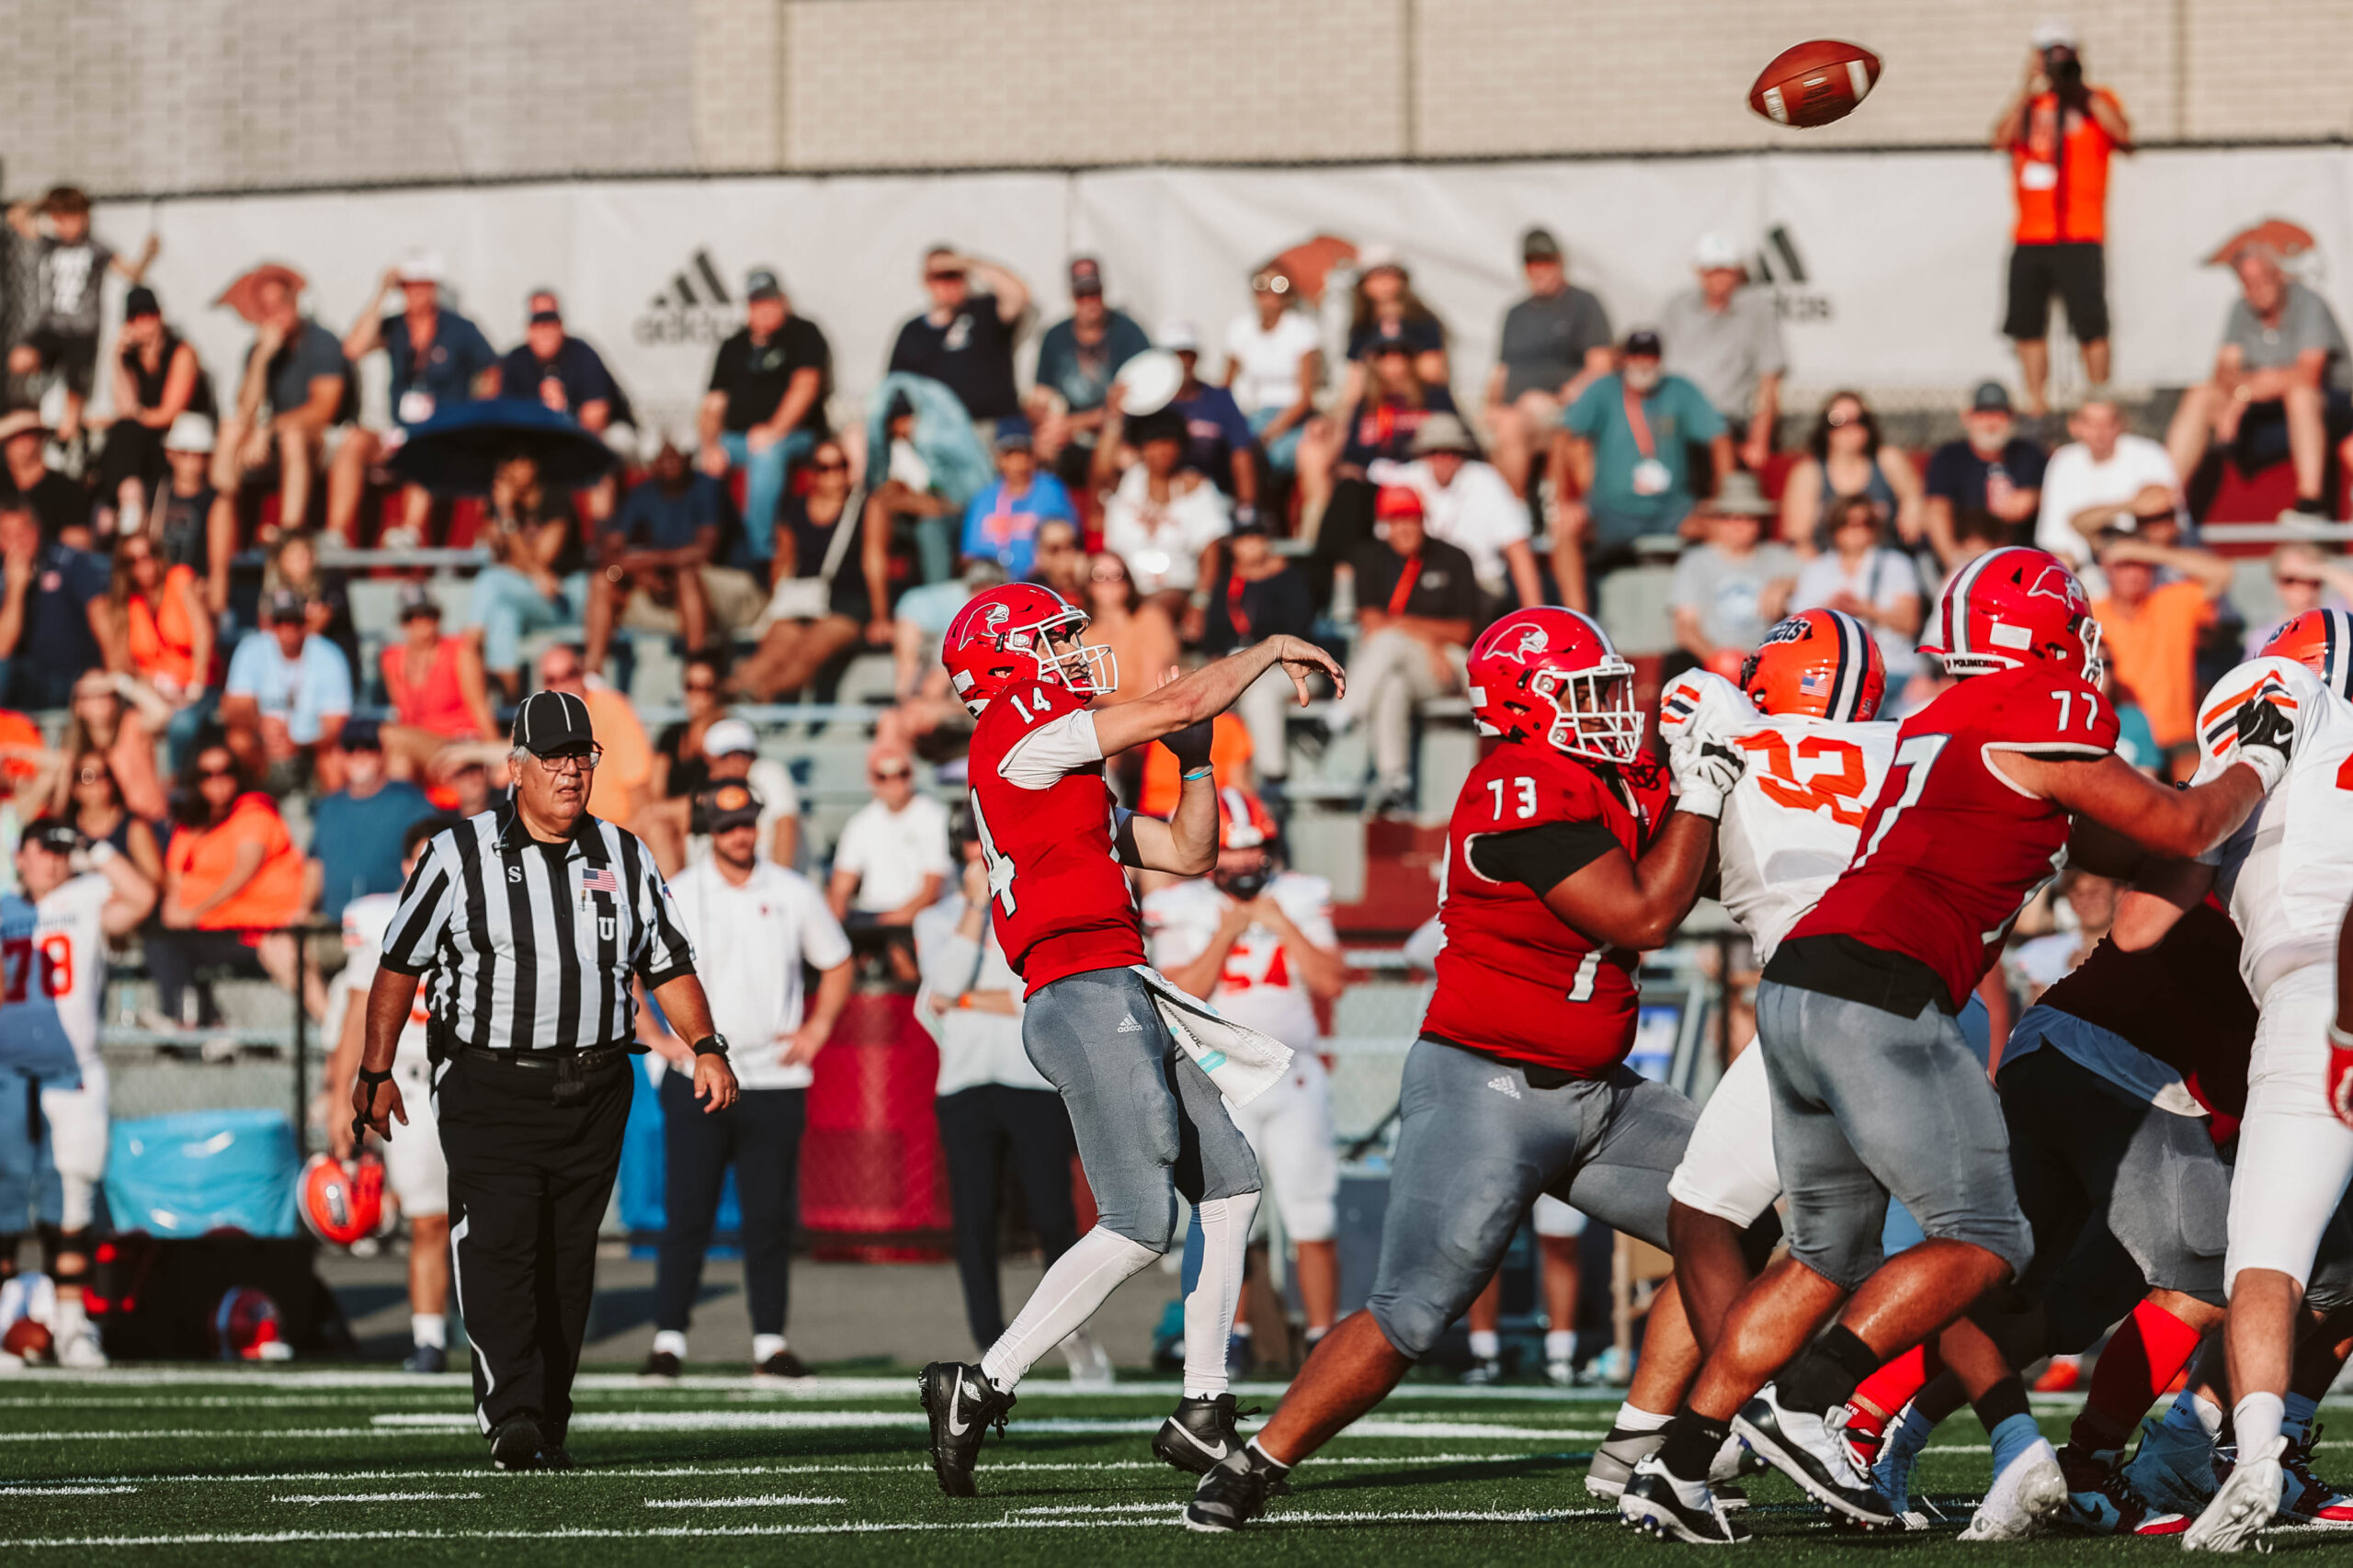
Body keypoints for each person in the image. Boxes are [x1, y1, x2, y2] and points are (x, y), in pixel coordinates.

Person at [1624, 547, 2283, 1543]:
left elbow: (2138, 870)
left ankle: (1675, 1465)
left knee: (1818, 1253)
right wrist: (2259, 764)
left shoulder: (1941, 719)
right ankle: (1807, 1401)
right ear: (2049, 641)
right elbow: (2184, 823)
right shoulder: (2035, 707)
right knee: (1986, 1239)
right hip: (1882, 992)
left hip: (1797, 984)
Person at [1188, 607, 1732, 1530]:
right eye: (1583, 692)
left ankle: (1638, 1444)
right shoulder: (1518, 781)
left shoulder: (1599, 772)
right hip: (1488, 1087)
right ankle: (1254, 1460)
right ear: (1522, 707)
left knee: (1736, 1211)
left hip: (1600, 1090)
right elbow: (1643, 914)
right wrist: (1705, 787)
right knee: (1413, 1312)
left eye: (1609, 688)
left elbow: (1706, 870)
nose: (1609, 708)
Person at [917, 581, 1345, 1497]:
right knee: (1141, 1219)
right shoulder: (1013, 735)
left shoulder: (1057, 780)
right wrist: (1269, 644)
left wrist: (1196, 766)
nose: (1075, 651)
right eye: (1056, 638)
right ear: (1005, 660)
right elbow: (1186, 697)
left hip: (1120, 980)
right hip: (1079, 986)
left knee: (1229, 1182)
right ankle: (981, 1383)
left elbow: (1188, 853)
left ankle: (1202, 1404)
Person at [352, 689, 735, 1471]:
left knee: (567, 1259)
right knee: (501, 1245)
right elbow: (397, 965)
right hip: (488, 1083)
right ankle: (512, 1411)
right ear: (515, 767)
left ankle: (548, 1413)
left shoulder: (624, 855)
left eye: (582, 756)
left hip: (594, 1086)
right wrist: (376, 1068)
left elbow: (667, 960)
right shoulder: (458, 855)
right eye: (554, 756)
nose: (570, 771)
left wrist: (706, 1043)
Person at [1589, 613, 1893, 1497]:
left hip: (1812, 997)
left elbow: (1674, 864)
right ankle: (1647, 1442)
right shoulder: (1897, 746)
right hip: (1909, 997)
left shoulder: (1719, 713)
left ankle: (1758, 1406)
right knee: (1934, 1243)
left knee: (1713, 1216)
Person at [2116, 616, 2353, 1547]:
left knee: (2270, 1255)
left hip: (2311, 991)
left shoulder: (2271, 707)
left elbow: (2136, 923)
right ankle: (2249, 1443)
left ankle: (2254, 1457)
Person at [642, 782, 852, 1380]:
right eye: (729, 823)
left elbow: (836, 961)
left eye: (748, 821)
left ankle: (768, 1342)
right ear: (710, 830)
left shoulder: (791, 891)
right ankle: (669, 1340)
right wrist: (656, 1038)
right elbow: (629, 965)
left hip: (774, 1077)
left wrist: (815, 1031)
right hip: (695, 1073)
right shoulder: (678, 893)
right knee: (688, 1214)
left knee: (767, 1219)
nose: (741, 833)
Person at [1145, 789, 1347, 1351]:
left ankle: (1322, 1337)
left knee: (1313, 1213)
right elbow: (1177, 992)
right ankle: (1226, 1338)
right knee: (1225, 1215)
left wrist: (1282, 925)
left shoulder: (1300, 897)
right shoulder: (1180, 904)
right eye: (1230, 851)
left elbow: (1331, 981)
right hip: (1222, 1077)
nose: (1241, 862)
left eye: (1251, 849)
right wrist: (1228, 932)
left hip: (1296, 1073)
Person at [915, 808, 1105, 1379]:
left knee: (1051, 1216)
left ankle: (1074, 1334)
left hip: (1032, 1077)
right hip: (966, 1084)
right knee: (975, 1221)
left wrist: (972, 1001)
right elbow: (942, 988)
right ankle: (988, 1346)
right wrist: (975, 908)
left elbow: (1034, 993)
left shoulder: (1037, 904)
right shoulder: (937, 917)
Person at [0, 819, 156, 1368]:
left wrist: (94, 848)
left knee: (74, 1196)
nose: (53, 859)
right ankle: (4, 1322)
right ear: (20, 855)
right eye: (45, 848)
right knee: (5, 1201)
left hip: (75, 1072)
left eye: (62, 850)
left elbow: (142, 897)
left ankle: (72, 1325)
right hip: (9, 1074)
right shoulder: (3, 907)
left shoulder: (86, 897)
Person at [325, 814, 463, 1371]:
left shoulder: (484, 909)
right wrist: (341, 1095)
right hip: (408, 1079)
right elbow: (359, 1011)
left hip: (476, 1077)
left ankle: (495, 1333)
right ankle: (428, 1338)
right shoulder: (379, 917)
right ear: (407, 865)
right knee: (428, 1216)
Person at [1994, 19, 2131, 416]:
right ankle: (2037, 406)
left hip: (2081, 233)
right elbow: (2000, 138)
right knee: (2028, 325)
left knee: (2091, 323)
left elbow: (2123, 134)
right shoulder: (2029, 106)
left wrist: (2079, 90)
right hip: (2031, 235)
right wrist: (2027, 87)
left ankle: (2098, 404)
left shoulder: (2095, 100)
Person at [2164, 242, 2353, 520]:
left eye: (2263, 278)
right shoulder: (2241, 310)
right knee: (2200, 395)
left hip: (2330, 410)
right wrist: (2245, 391)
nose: (2258, 287)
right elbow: (2224, 373)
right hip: (2268, 414)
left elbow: (2307, 374)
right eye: (2248, 281)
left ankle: (2310, 504)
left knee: (2300, 394)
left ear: (2278, 274)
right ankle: (2164, 500)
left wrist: (2242, 395)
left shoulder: (2308, 302)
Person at [330, 253, 500, 545]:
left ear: (433, 288)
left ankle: (409, 530)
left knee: (425, 440)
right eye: (408, 287)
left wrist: (474, 413)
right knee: (353, 442)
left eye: (422, 286)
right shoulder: (394, 326)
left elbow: (492, 371)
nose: (415, 294)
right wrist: (380, 293)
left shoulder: (460, 328)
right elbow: (353, 349)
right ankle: (335, 533)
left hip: (442, 429)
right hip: (398, 426)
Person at [1329, 486, 1481, 814]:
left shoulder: (1454, 557)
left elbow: (1464, 631)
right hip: (1408, 659)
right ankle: (1394, 779)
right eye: (1396, 521)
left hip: (1447, 662)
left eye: (1411, 519)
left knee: (1389, 642)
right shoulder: (1371, 557)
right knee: (1392, 680)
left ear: (1423, 520)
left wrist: (1407, 629)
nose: (1405, 528)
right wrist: (1426, 639)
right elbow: (1371, 622)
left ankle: (1346, 711)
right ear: (1385, 525)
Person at [1552, 329, 1731, 593]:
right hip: (1609, 509)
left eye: (1650, 357)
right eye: (1636, 356)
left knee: (1725, 531)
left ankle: (1719, 612)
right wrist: (1561, 500)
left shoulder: (1680, 389)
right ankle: (1577, 621)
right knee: (1565, 531)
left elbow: (1720, 438)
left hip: (1672, 509)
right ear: (1624, 359)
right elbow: (1563, 438)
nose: (1643, 363)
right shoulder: (1603, 389)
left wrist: (1723, 498)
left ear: (1660, 360)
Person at [149, 744, 313, 1028]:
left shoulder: (254, 813)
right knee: (160, 936)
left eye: (225, 772)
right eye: (206, 774)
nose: (217, 780)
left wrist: (195, 912)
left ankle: (192, 1021)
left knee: (171, 941)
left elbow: (243, 871)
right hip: (212, 929)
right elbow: (174, 881)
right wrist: (175, 911)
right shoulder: (189, 826)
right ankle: (202, 1021)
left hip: (258, 930)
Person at [583, 437, 765, 674]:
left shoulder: (709, 487)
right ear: (653, 462)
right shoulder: (641, 494)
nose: (669, 461)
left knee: (686, 575)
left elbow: (704, 552)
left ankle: (696, 675)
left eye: (675, 454)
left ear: (688, 457)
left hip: (726, 589)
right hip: (663, 591)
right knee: (603, 580)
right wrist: (641, 575)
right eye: (663, 455)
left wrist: (647, 561)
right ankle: (591, 676)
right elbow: (610, 555)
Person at [729, 437, 888, 703]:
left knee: (805, 657)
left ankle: (752, 697)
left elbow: (874, 559)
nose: (835, 475)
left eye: (841, 466)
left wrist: (881, 617)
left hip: (846, 604)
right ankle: (731, 696)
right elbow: (784, 564)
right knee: (767, 657)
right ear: (812, 473)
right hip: (801, 600)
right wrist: (773, 609)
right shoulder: (795, 510)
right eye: (825, 467)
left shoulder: (868, 506)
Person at [696, 268, 831, 571]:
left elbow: (805, 388)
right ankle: (706, 551)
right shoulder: (733, 346)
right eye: (757, 303)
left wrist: (773, 430)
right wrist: (708, 445)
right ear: (748, 307)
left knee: (766, 454)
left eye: (770, 300)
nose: (765, 309)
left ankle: (759, 556)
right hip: (738, 438)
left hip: (796, 436)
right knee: (703, 463)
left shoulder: (803, 333)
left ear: (782, 301)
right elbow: (712, 407)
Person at [4, 186, 157, 445]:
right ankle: (48, 379)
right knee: (19, 360)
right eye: (61, 219)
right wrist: (45, 202)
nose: (69, 225)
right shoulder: (49, 244)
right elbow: (15, 217)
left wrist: (148, 255)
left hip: (82, 332)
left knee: (72, 409)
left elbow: (132, 272)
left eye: (74, 217)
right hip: (53, 326)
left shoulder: (97, 249)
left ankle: (66, 441)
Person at [213, 268, 351, 534]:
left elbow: (324, 409)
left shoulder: (322, 342)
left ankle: (290, 532)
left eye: (281, 304)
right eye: (266, 308)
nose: (275, 313)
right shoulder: (259, 349)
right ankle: (222, 516)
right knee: (230, 430)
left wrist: (267, 429)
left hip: (321, 439)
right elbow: (245, 409)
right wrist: (262, 358)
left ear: (295, 303)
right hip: (272, 438)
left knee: (293, 436)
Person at [2087, 529, 2234, 771]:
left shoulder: (2172, 602)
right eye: (2124, 564)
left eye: (2142, 564)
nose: (2133, 573)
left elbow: (2223, 574)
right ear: (2105, 568)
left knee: (2194, 778)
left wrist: (2149, 551)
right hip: (2122, 733)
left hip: (2177, 737)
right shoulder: (2093, 612)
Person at [1486, 227, 1614, 496]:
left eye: (1546, 261)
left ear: (1560, 262)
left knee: (1513, 426)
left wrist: (1564, 397)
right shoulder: (1515, 313)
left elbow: (1601, 366)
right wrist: (1490, 406)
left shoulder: (1583, 304)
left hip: (1561, 405)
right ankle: (1506, 513)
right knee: (1498, 427)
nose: (1539, 269)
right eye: (1532, 263)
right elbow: (1501, 372)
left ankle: (1513, 516)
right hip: (1516, 410)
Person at [1375, 413, 1542, 616]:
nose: (1443, 458)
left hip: (1479, 583)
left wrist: (1535, 615)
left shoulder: (1486, 480)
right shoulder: (1404, 480)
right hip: (1420, 584)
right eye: (1435, 451)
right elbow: (1386, 543)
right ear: (1423, 453)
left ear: (1463, 453)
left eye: (1452, 451)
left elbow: (1518, 550)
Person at [1201, 518, 1316, 794]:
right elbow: (1213, 636)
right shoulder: (1226, 582)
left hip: (1289, 668)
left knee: (1259, 694)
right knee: (1206, 692)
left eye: (1256, 537)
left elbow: (1298, 631)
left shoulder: (1290, 578)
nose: (1250, 545)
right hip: (1236, 664)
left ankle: (1272, 776)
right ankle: (1217, 780)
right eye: (1243, 539)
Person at [1095, 406, 1232, 631]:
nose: (1163, 451)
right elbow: (1099, 475)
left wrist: (1199, 605)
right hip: (1122, 585)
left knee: (1151, 613)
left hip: (1174, 588)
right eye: (1155, 443)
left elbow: (1211, 552)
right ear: (1142, 447)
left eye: (1170, 443)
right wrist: (1113, 418)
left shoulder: (1198, 488)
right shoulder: (1128, 481)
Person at [467, 451, 588, 701]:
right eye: (510, 462)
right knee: (502, 614)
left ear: (535, 465)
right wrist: (500, 514)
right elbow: (501, 557)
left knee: (491, 580)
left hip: (564, 598)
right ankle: (511, 707)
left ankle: (469, 650)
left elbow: (541, 560)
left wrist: (510, 519)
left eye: (522, 460)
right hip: (531, 594)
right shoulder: (501, 503)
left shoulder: (555, 498)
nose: (516, 469)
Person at [1661, 233, 1787, 472]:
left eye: (1725, 270)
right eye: (1711, 270)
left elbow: (1768, 381)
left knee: (1717, 439)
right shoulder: (1677, 307)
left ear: (1738, 272)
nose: (1718, 278)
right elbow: (1654, 366)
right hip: (1674, 419)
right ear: (1699, 272)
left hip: (1726, 420)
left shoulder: (1757, 311)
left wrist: (1758, 441)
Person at [94, 286, 210, 533]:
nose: (144, 323)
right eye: (136, 317)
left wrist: (131, 416)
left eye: (149, 315)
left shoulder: (181, 352)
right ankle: (130, 500)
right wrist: (115, 358)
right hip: (148, 440)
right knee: (123, 431)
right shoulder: (132, 359)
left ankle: (125, 509)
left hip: (179, 436)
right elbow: (126, 407)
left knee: (122, 431)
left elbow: (170, 413)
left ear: (159, 316)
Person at [827, 746, 950, 979]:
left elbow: (931, 893)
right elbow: (839, 890)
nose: (893, 782)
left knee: (898, 948)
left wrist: (879, 926)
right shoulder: (861, 823)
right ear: (871, 780)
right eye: (882, 776)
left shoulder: (934, 817)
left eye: (901, 774)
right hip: (875, 919)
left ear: (911, 774)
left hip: (920, 919)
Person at [1029, 256, 1149, 490]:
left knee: (1124, 457)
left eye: (1094, 292)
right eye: (1081, 294)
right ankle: (1047, 514)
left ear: (1103, 292)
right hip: (1069, 434)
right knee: (1039, 449)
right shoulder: (1054, 336)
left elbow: (1130, 403)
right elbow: (1041, 392)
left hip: (1115, 433)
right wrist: (1046, 423)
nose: (1089, 301)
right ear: (1072, 297)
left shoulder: (1129, 332)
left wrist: (1072, 424)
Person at [1790, 495, 1925, 697]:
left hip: (1891, 667)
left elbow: (1910, 623)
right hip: (1832, 671)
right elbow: (1796, 629)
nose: (1855, 530)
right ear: (1834, 528)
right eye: (1846, 523)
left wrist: (1864, 608)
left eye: (1864, 523)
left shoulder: (1896, 564)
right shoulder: (1816, 569)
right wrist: (1830, 611)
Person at [1669, 473, 1801, 681]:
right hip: (1714, 669)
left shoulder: (1779, 558)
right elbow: (1685, 628)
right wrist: (1719, 661)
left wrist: (1789, 584)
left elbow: (1819, 579)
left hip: (1771, 667)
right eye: (1731, 517)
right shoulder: (1696, 562)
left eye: (1750, 517)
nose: (1739, 525)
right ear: (1716, 521)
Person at [222, 587, 352, 792]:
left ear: (306, 622)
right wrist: (261, 726)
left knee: (335, 759)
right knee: (239, 741)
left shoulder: (329, 655)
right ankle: (246, 809)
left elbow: (335, 727)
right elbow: (234, 708)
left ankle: (332, 818)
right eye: (280, 621)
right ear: (268, 623)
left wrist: (298, 742)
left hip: (309, 749)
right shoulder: (251, 649)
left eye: (295, 621)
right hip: (262, 746)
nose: (287, 628)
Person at [2033, 391, 2183, 566]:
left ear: (2121, 424)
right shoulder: (2063, 461)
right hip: (2087, 569)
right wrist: (2131, 505)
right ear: (2073, 426)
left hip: (2147, 561)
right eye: (2091, 424)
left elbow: (2165, 519)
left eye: (2107, 423)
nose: (2100, 432)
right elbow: (2056, 539)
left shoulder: (2150, 455)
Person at [307, 718, 434, 921]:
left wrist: (396, 905)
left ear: (382, 753)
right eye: (350, 748)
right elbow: (315, 864)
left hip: (390, 921)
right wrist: (303, 909)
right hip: (331, 924)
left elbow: (427, 859)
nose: (359, 754)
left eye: (368, 747)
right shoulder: (328, 807)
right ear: (340, 756)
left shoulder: (410, 801)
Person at [641, 715, 800, 877]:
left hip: (764, 883)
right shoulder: (704, 793)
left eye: (742, 753)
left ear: (754, 756)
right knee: (658, 830)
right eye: (726, 755)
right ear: (710, 760)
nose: (735, 761)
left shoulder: (767, 774)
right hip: (712, 888)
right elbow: (651, 815)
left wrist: (778, 885)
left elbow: (785, 827)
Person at [888, 247, 1029, 425]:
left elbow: (1018, 295)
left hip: (996, 424)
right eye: (939, 277)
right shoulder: (912, 331)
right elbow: (894, 391)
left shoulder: (985, 311)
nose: (947, 284)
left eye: (954, 275)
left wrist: (967, 262)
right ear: (925, 281)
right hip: (941, 429)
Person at [0, 497, 118, 710]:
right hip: (24, 684)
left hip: (73, 678)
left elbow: (102, 618)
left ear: (37, 530)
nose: (17, 542)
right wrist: (15, 589)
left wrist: (113, 679)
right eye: (7, 535)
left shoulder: (69, 561)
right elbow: (2, 647)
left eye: (23, 532)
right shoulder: (4, 578)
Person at [1777, 391, 1925, 553]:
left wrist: (1912, 510)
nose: (1850, 428)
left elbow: (1917, 498)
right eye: (1838, 420)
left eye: (1860, 420)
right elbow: (1799, 539)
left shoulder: (1888, 460)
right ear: (1825, 427)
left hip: (1887, 561)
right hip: (1829, 564)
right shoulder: (1809, 472)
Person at [377, 585, 494, 781]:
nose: (422, 623)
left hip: (459, 743)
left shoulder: (459, 652)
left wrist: (493, 757)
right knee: (399, 760)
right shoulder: (392, 660)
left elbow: (480, 707)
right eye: (412, 617)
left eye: (429, 615)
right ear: (404, 623)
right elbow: (404, 715)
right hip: (420, 746)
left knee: (386, 734)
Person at [1925, 381, 2047, 563]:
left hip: (2020, 558)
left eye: (1998, 414)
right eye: (1983, 414)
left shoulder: (2030, 454)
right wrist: (1954, 561)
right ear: (1967, 418)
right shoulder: (1949, 456)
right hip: (1966, 557)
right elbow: (1937, 509)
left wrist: (2035, 497)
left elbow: (2059, 498)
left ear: (2011, 417)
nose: (1991, 423)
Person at [536, 644, 653, 834]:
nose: (562, 686)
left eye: (570, 675)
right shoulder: (538, 719)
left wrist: (623, 843)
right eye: (552, 680)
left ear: (582, 674)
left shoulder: (612, 709)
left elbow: (638, 790)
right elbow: (505, 775)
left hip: (614, 826)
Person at [1222, 264, 1321, 481]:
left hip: (1291, 415)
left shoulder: (1302, 330)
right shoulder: (1240, 329)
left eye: (1278, 285)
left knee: (1277, 456)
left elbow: (1305, 397)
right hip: (1251, 413)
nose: (1269, 293)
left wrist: (1268, 434)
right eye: (1261, 285)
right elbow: (1226, 384)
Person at [961, 420, 1076, 582]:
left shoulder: (1050, 489)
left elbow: (1066, 542)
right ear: (998, 459)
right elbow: (970, 556)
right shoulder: (983, 499)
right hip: (992, 585)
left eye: (1023, 453)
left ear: (1033, 456)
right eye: (1009, 454)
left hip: (1041, 582)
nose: (1018, 462)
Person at [1164, 322, 1263, 510]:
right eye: (1176, 355)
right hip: (1161, 500)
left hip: (1212, 499)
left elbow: (1241, 453)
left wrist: (1247, 508)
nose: (1183, 361)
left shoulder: (1220, 399)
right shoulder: (1149, 404)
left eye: (1189, 354)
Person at [113, 528, 213, 715]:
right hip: (154, 691)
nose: (142, 565)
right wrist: (156, 683)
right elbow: (125, 664)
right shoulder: (129, 602)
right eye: (131, 561)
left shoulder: (179, 580)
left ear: (158, 556)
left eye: (147, 556)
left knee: (181, 724)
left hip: (195, 687)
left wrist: (196, 683)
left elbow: (203, 632)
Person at [148, 413, 237, 619]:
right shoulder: (156, 494)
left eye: (201, 454)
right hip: (158, 599)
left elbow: (219, 568)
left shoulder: (217, 501)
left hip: (196, 602)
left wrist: (215, 614)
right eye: (185, 453)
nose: (193, 461)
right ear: (170, 454)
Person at [57, 670, 168, 825]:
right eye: (91, 695)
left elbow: (162, 713)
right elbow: (63, 801)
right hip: (102, 829)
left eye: (105, 693)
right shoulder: (74, 747)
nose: (99, 700)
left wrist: (119, 681)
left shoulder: (132, 724)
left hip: (149, 820)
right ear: (78, 705)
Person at [1076, 553, 1179, 710]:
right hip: (1096, 717)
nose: (1108, 581)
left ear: (1127, 580)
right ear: (1088, 585)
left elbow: (1153, 681)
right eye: (1098, 575)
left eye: (1116, 574)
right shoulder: (1079, 630)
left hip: (1144, 710)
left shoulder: (1149, 618)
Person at [54, 745, 164, 885]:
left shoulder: (132, 826)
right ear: (74, 787)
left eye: (103, 774)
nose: (96, 782)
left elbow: (156, 880)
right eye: (87, 776)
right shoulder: (67, 828)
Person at [0, 408, 91, 546]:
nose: (22, 443)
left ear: (40, 438)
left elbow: (77, 545)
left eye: (27, 435)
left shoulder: (66, 489)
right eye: (14, 437)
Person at [2247, 541, 2353, 657]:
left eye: (2311, 580)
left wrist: (2324, 569)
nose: (2300, 588)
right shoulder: (2262, 637)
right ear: (2276, 584)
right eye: (2290, 580)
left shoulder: (2338, 618)